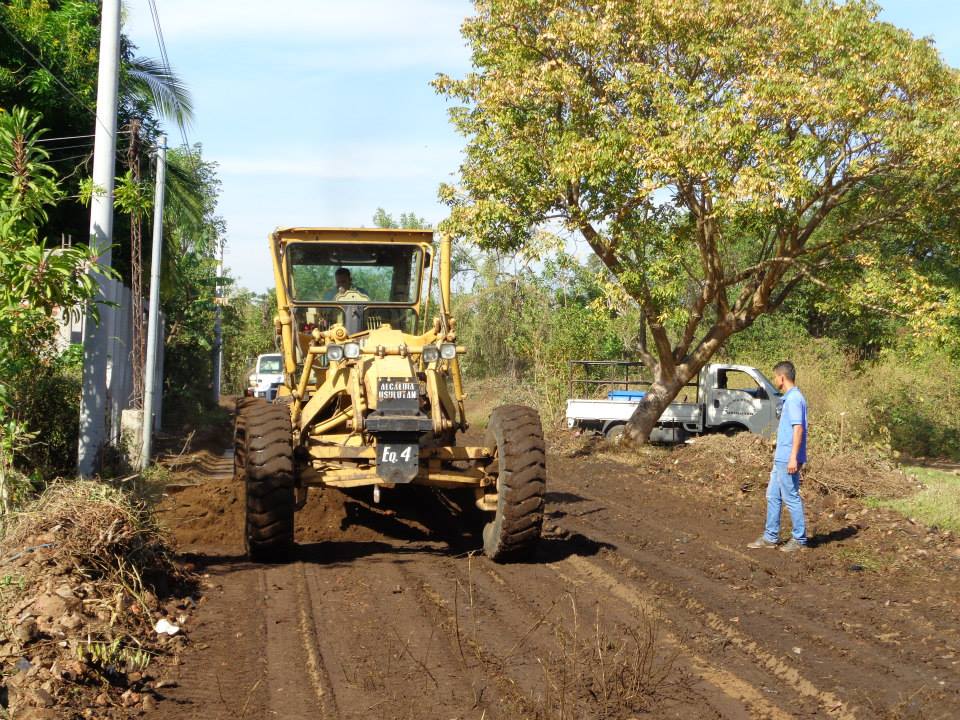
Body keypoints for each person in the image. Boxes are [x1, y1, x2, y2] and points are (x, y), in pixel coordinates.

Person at [748, 360, 808, 553]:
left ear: (782, 377)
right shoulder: (789, 398)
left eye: (775, 376)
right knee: (773, 495)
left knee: (790, 497)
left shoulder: (794, 399)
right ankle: (770, 536)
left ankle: (799, 539)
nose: (775, 380)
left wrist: (793, 457)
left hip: (787, 457)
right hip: (780, 456)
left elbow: (798, 429)